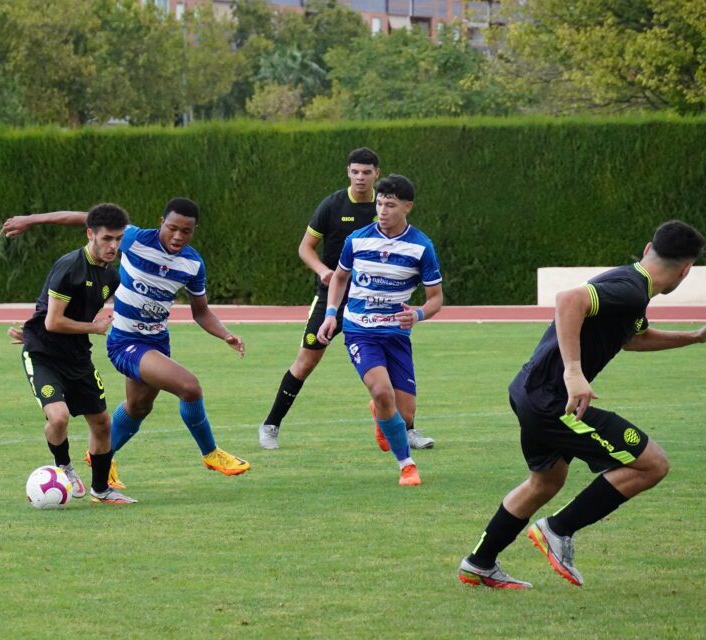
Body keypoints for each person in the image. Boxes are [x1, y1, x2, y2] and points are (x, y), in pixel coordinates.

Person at [459, 220, 705, 589]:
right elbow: (568, 301)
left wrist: (695, 337)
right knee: (652, 465)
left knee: (545, 482)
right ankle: (558, 530)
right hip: (552, 399)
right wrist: (574, 372)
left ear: (646, 249)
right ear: (686, 270)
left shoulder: (630, 284)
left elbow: (632, 338)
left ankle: (479, 563)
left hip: (530, 391)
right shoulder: (630, 290)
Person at [3, 197, 251, 488]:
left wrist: (225, 334)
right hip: (125, 342)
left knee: (138, 407)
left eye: (186, 231)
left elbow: (201, 312)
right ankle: (211, 453)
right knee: (190, 387)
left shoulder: (193, 263)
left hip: (157, 341)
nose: (178, 236)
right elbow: (85, 218)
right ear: (161, 223)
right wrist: (32, 220)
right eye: (172, 228)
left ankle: (102, 460)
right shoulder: (132, 238)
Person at [259, 148, 434, 451]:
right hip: (334, 296)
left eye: (366, 172)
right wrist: (324, 272)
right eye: (355, 172)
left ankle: (406, 428)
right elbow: (305, 248)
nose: (360, 178)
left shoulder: (387, 206)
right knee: (307, 360)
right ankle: (271, 424)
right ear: (348, 172)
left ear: (376, 173)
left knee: (393, 366)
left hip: (375, 301)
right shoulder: (333, 205)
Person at [317, 174, 443, 486]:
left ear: (408, 207)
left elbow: (436, 298)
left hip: (397, 336)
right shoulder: (357, 240)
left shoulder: (421, 247)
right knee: (382, 390)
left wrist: (417, 314)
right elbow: (340, 278)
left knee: (406, 414)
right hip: (360, 330)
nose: (382, 210)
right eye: (379, 203)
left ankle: (381, 411)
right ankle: (407, 465)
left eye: (390, 204)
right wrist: (331, 314)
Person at [13, 203, 135, 504]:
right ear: (90, 233)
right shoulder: (69, 267)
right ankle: (64, 467)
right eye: (107, 239)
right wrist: (93, 328)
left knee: (102, 423)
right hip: (44, 355)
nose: (113, 246)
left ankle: (101, 490)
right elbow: (52, 321)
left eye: (118, 239)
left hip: (78, 358)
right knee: (59, 418)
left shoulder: (111, 277)